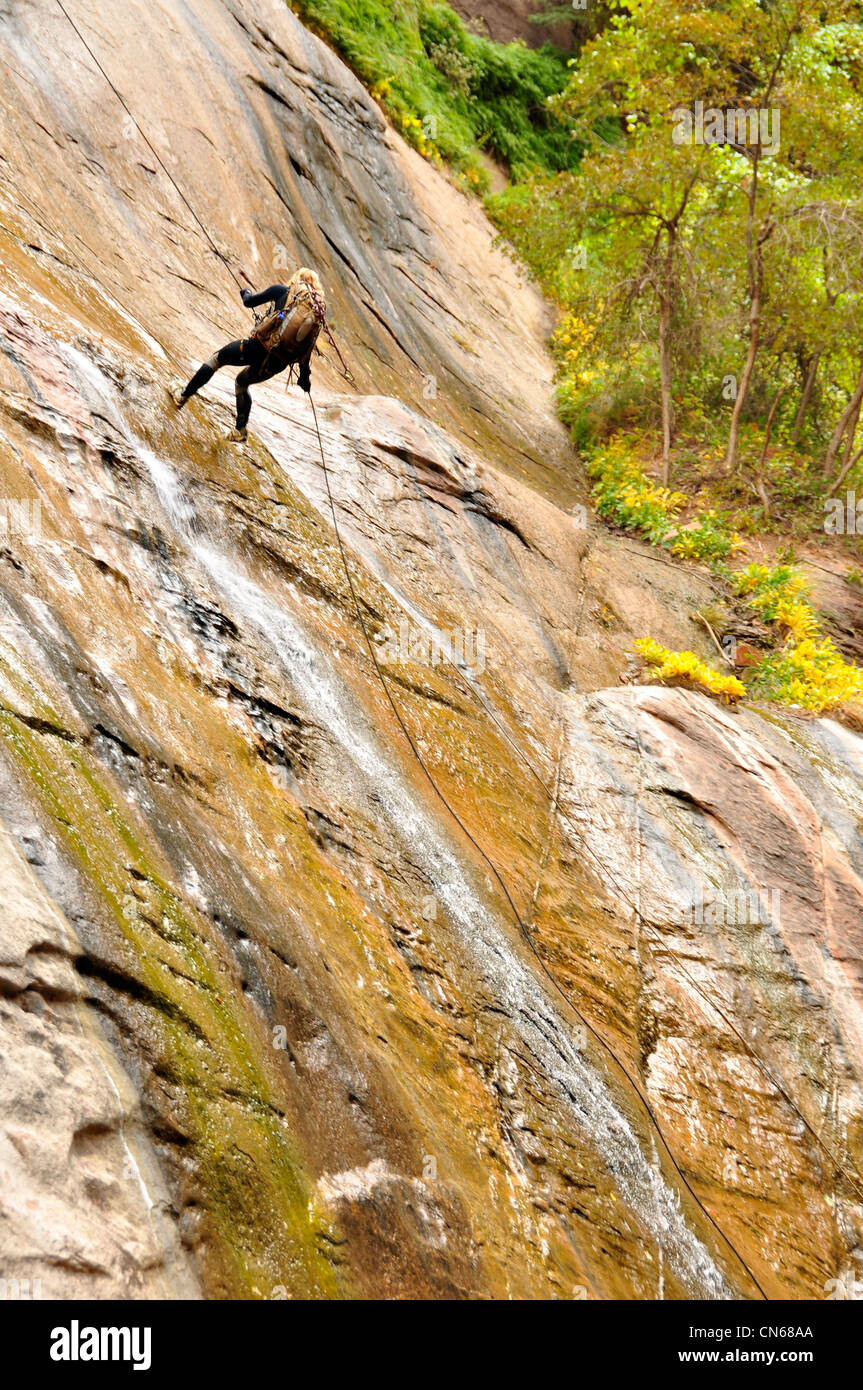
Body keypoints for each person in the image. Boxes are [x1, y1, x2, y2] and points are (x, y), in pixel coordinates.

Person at [172, 267, 326, 440]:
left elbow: (249, 302)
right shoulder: (314, 315)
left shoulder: (282, 291)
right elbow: (305, 356)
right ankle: (240, 430)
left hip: (257, 348)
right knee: (241, 382)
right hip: (276, 364)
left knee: (217, 359)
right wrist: (304, 380)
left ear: (296, 279)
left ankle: (182, 396)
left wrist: (246, 292)